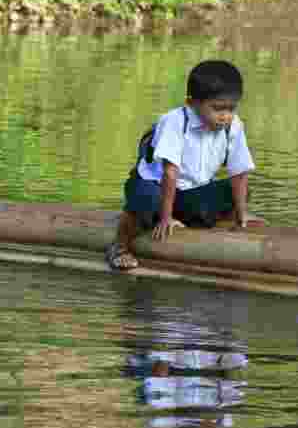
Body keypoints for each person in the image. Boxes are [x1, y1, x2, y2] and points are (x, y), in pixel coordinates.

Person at [106, 60, 259, 270]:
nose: (225, 116)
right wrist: (165, 218)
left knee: (236, 192)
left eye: (231, 108)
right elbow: (170, 173)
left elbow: (239, 172)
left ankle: (184, 217)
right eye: (217, 109)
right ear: (191, 103)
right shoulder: (175, 122)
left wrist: (241, 215)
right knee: (147, 199)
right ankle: (120, 245)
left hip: (189, 192)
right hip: (155, 186)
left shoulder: (233, 126)